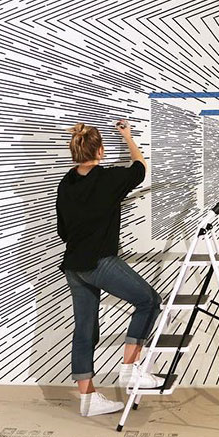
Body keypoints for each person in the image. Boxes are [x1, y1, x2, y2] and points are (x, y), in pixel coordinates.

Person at [56, 119, 164, 418]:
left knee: (85, 329)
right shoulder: (108, 179)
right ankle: (130, 369)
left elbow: (63, 231)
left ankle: (88, 399)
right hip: (98, 261)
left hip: (73, 265)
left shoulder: (66, 182)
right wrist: (127, 137)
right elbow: (140, 168)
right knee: (149, 300)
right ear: (100, 151)